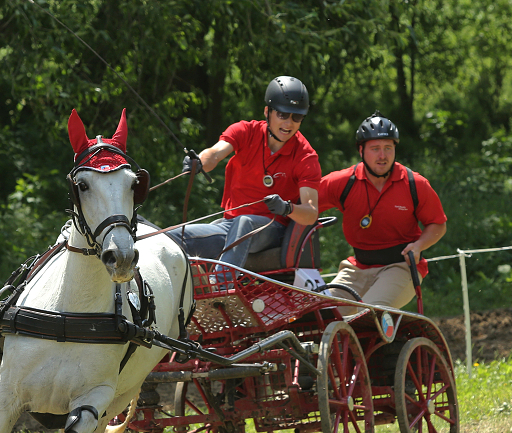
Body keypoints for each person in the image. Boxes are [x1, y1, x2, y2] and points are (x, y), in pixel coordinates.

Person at [167, 76, 321, 271]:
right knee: (173, 237)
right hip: (230, 226)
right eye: (283, 114)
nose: (289, 123)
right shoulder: (245, 131)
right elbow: (215, 154)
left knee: (244, 222)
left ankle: (221, 286)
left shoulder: (306, 157)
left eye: (296, 117)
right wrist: (198, 162)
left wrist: (286, 208)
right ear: (268, 111)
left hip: (272, 230)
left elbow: (310, 213)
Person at [318, 111, 447, 314]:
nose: (382, 156)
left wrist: (420, 245)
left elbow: (438, 224)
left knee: (367, 314)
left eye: (388, 148)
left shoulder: (416, 184)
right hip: (357, 267)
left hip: (400, 266)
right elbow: (304, 206)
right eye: (375, 148)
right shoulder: (341, 183)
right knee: (322, 312)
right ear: (361, 151)